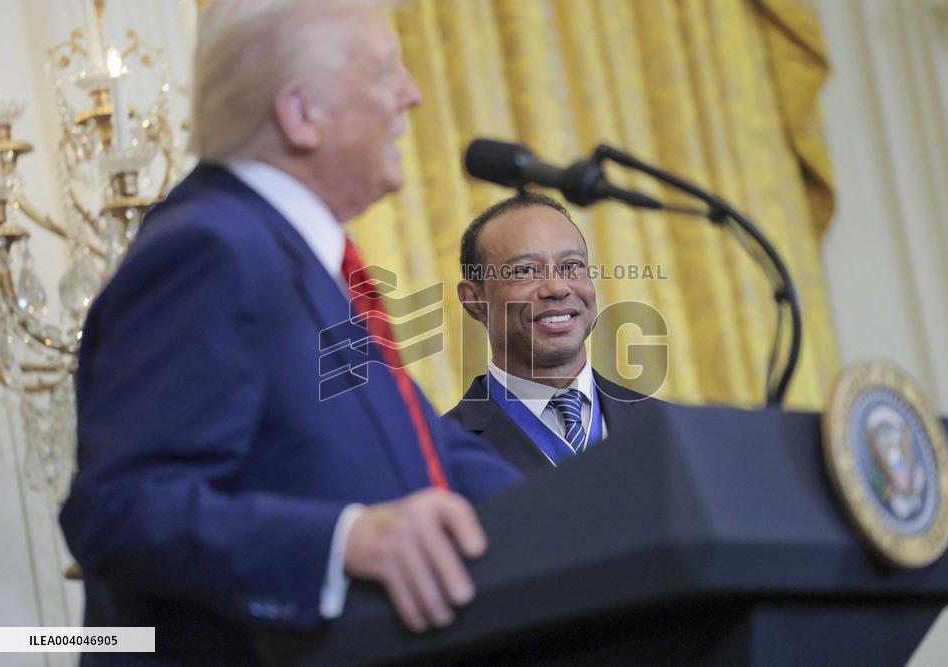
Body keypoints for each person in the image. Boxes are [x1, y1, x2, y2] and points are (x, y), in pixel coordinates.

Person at [59, 1, 520, 663]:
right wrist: (344, 541)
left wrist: (583, 508)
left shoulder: (303, 260)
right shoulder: (210, 248)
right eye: (385, 72)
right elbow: (119, 508)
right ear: (301, 114)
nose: (412, 95)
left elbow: (422, 450)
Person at [445, 193, 664, 476]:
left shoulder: (668, 426)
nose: (557, 288)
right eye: (525, 270)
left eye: (571, 266)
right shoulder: (440, 452)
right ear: (475, 300)